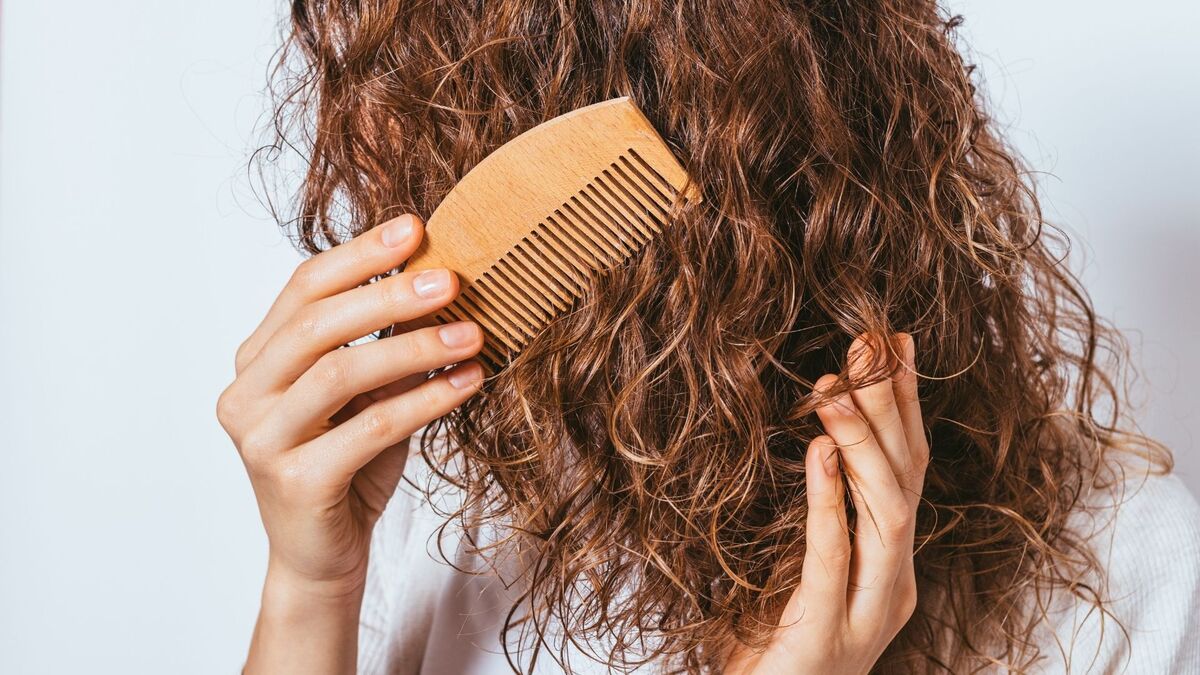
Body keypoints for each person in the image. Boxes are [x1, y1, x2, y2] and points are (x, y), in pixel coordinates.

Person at [217, 1, 1200, 673]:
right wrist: (310, 585)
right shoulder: (450, 494)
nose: (376, 164)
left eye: (441, 115)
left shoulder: (1122, 569)